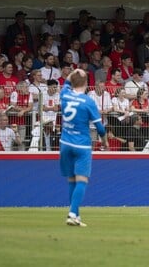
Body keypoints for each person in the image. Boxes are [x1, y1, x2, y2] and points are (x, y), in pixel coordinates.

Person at [59, 68, 108, 226]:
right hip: (81, 144)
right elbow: (99, 127)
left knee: (72, 180)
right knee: (82, 179)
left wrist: (74, 72)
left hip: (65, 143)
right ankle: (72, 213)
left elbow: (67, 82)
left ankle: (76, 215)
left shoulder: (64, 94)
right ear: (87, 84)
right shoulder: (88, 101)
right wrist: (105, 141)